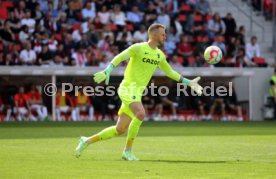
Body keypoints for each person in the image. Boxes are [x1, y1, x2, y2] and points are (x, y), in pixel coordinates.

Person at [75, 24, 203, 161]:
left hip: (137, 93)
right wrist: (107, 70)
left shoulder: (159, 55)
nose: (165, 36)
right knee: (141, 113)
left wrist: (189, 82)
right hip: (127, 88)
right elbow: (120, 56)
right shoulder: (138, 47)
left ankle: (86, 141)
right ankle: (127, 151)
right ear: (154, 35)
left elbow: (170, 72)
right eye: (163, 34)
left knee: (120, 129)